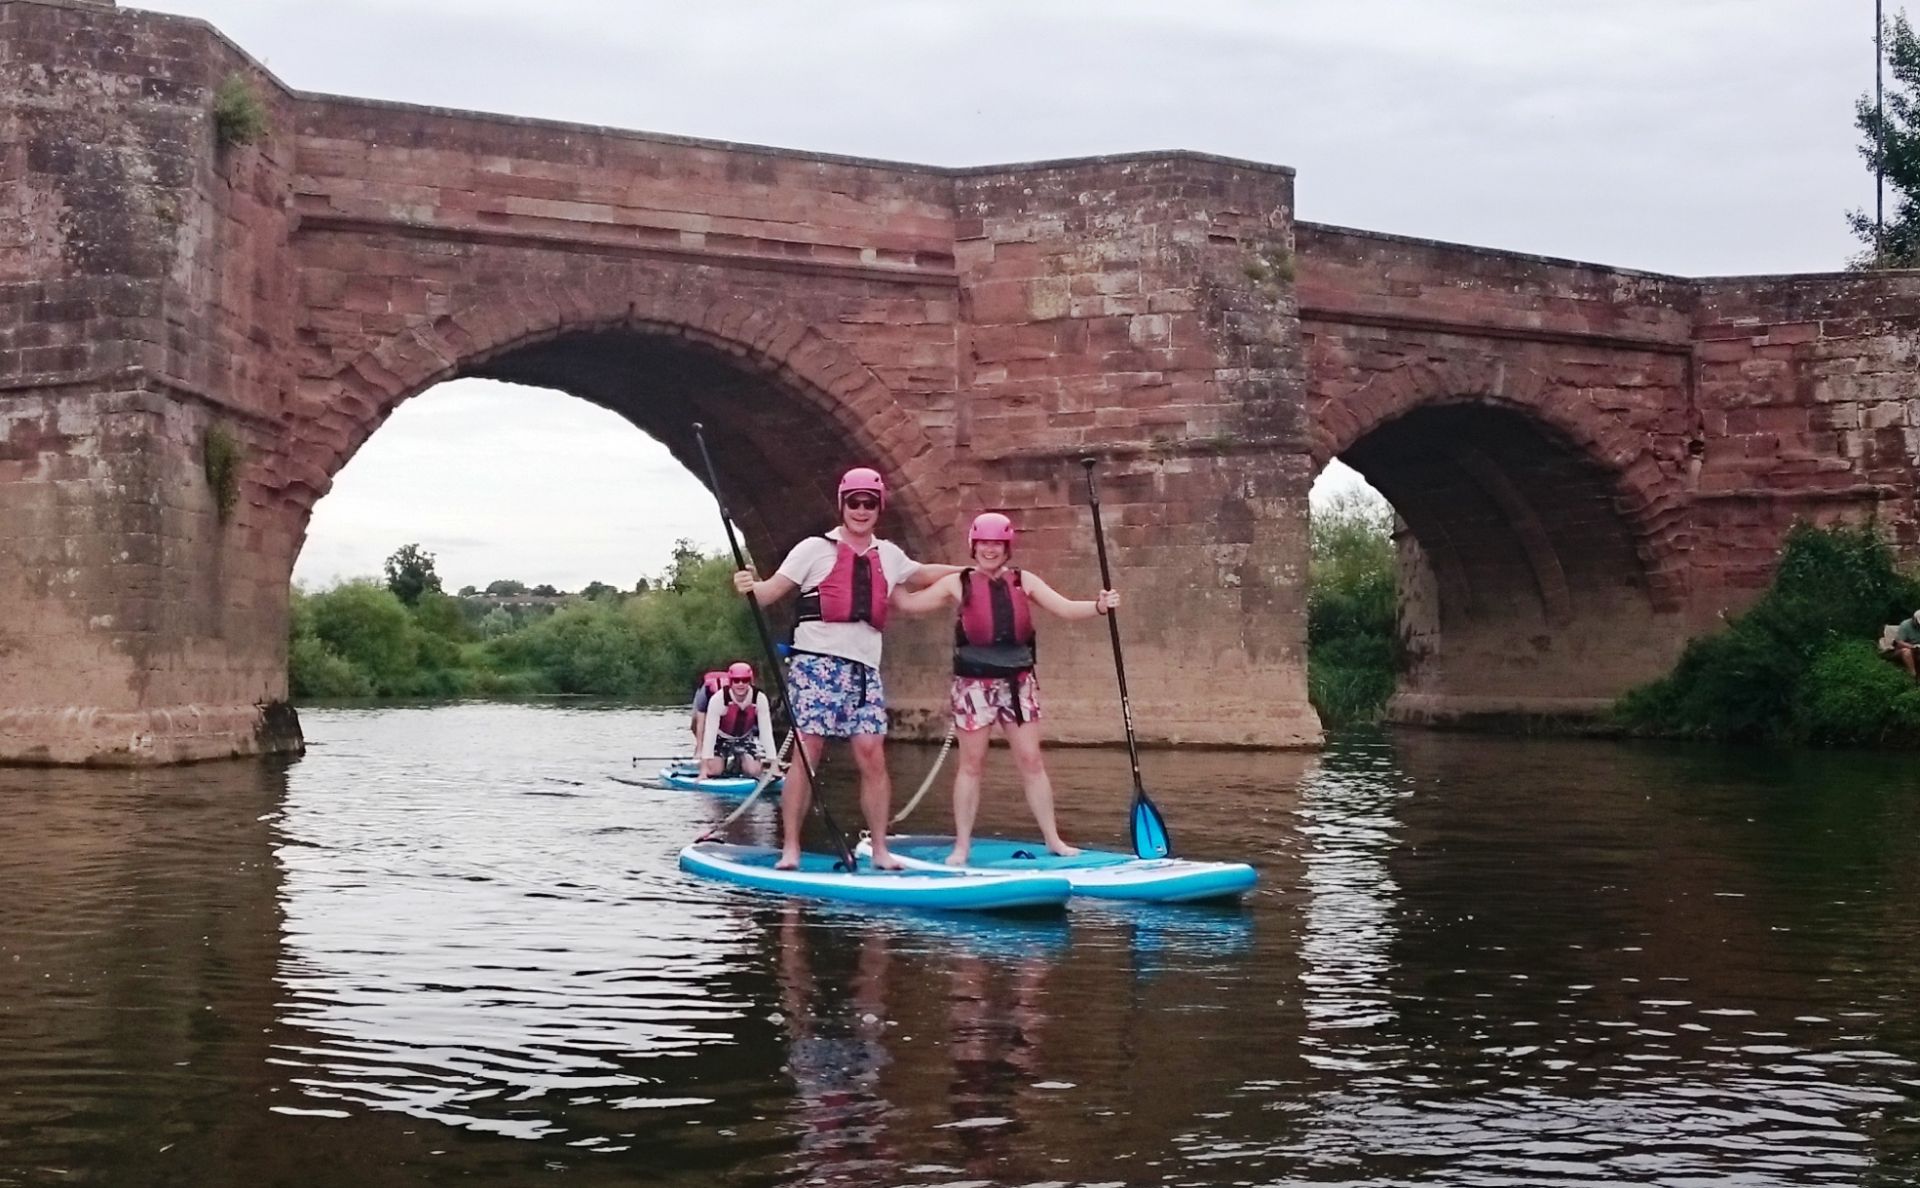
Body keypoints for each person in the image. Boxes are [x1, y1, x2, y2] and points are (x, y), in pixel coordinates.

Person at [732, 467, 959, 870]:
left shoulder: (889, 555)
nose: (861, 509)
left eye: (869, 503)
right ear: (843, 505)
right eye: (854, 502)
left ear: (878, 509)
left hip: (864, 672)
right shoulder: (813, 549)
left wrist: (968, 574)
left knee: (872, 756)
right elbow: (767, 594)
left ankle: (882, 850)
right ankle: (791, 849)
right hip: (816, 665)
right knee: (809, 751)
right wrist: (749, 585)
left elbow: (923, 574)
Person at [890, 511, 1118, 865]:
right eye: (984, 543)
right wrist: (887, 574)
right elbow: (908, 604)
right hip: (974, 685)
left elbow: (1066, 608)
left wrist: (1099, 606)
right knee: (972, 764)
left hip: (1018, 683)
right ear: (974, 546)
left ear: (1006, 547)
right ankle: (962, 847)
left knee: (1031, 760)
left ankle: (1054, 840)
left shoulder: (1023, 580)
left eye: (996, 544)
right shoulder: (958, 583)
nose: (990, 550)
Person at [699, 661, 777, 778]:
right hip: (721, 738)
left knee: (754, 771)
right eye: (736, 680)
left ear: (750, 681)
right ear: (731, 682)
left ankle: (739, 762)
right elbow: (710, 734)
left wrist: (773, 764)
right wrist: (704, 768)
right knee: (714, 771)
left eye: (745, 680)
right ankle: (720, 763)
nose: (740, 684)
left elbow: (766, 733)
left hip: (744, 738)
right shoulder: (718, 699)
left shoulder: (760, 698)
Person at [688, 668, 729, 750]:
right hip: (706, 691)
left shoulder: (732, 693)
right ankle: (701, 748)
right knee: (695, 725)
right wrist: (700, 746)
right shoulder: (706, 692)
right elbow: (700, 722)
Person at [1892, 610, 1920, 678]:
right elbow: (1899, 642)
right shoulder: (1905, 625)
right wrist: (1912, 646)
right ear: (1914, 619)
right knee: (1906, 652)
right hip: (1905, 649)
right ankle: (1913, 674)